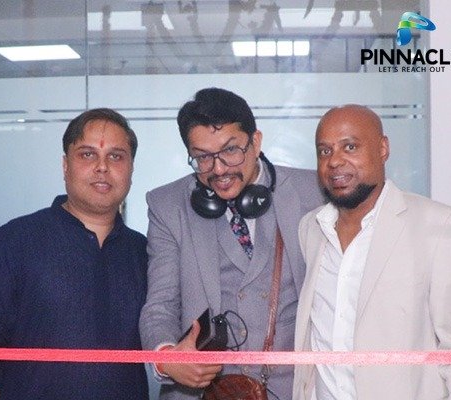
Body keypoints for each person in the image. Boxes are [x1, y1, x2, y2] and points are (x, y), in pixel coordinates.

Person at [139, 87, 324, 400]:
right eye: (203, 157)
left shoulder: (313, 192)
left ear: (256, 142)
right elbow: (160, 304)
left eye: (231, 150)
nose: (219, 169)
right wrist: (167, 357)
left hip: (294, 391)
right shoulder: (167, 205)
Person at [292, 105, 451, 400]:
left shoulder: (441, 226)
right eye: (325, 151)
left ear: (383, 149)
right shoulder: (311, 228)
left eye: (350, 146)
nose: (335, 161)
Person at [0, 108, 149, 400]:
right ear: (65, 165)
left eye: (116, 156)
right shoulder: (15, 240)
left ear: (131, 169)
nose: (102, 167)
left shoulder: (145, 252)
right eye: (87, 154)